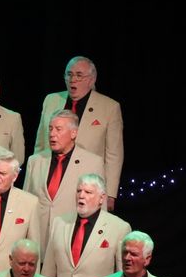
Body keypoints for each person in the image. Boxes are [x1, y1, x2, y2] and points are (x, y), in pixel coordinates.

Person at [34, 56, 123, 208]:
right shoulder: (51, 100)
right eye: (69, 74)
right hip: (52, 179)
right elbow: (41, 144)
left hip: (87, 183)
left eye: (79, 75)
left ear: (91, 79)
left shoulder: (109, 107)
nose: (72, 79)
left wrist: (110, 194)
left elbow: (113, 154)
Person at [23, 110, 104, 243]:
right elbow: (26, 202)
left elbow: (100, 209)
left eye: (58, 129)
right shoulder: (35, 161)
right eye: (50, 129)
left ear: (74, 133)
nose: (52, 134)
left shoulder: (92, 163)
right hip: (37, 239)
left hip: (71, 237)